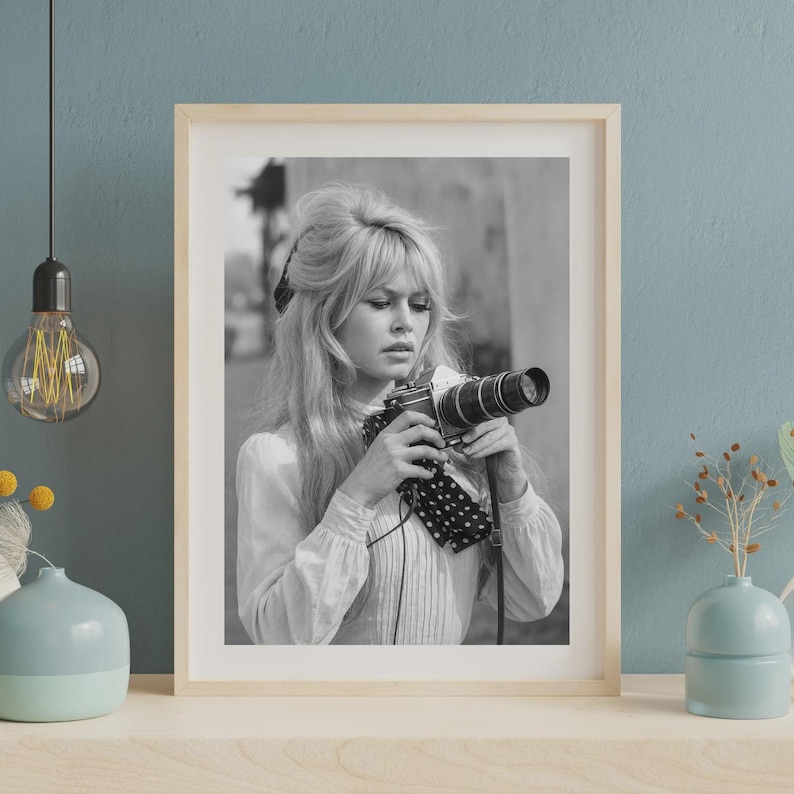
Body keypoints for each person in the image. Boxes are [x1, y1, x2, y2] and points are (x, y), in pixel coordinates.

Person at [236, 182, 563, 645]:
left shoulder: (454, 436)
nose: (405, 322)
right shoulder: (279, 459)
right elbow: (277, 637)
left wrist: (512, 489)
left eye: (420, 304)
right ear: (326, 314)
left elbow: (535, 599)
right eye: (380, 302)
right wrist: (355, 499)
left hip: (442, 711)